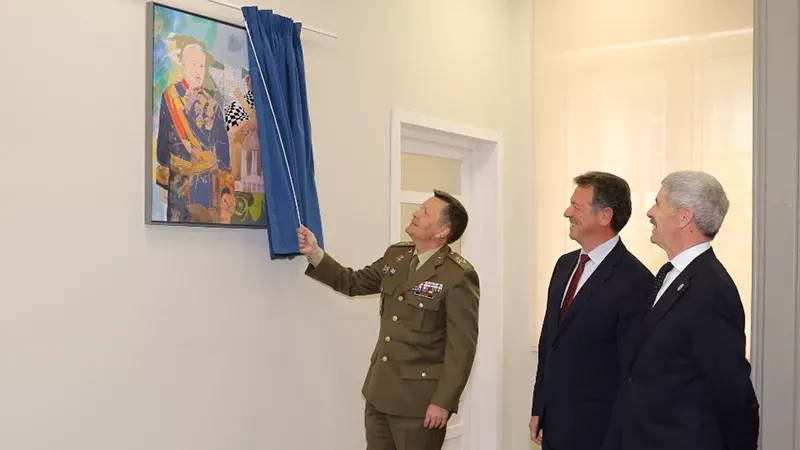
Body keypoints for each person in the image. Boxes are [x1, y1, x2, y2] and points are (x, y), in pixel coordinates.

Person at [298, 189, 479, 450]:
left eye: (426, 212)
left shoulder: (458, 275)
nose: (416, 213)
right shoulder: (398, 256)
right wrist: (315, 253)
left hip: (419, 404)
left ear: (442, 231)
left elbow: (461, 349)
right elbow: (353, 282)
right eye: (420, 208)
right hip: (379, 393)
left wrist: (443, 401)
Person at [620, 170, 759, 450]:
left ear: (684, 217)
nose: (649, 212)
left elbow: (731, 389)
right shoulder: (671, 274)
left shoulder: (711, 289)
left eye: (658, 203)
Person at [530, 171, 653, 450]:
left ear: (605, 215)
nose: (566, 213)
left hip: (599, 430)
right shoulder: (564, 265)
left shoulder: (636, 280)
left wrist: (618, 438)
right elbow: (550, 341)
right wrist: (540, 407)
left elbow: (631, 371)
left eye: (577, 207)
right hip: (555, 424)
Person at [155, 42, 232, 223]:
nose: (198, 70)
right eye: (193, 64)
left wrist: (226, 189)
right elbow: (163, 140)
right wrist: (162, 182)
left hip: (205, 182)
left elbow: (222, 147)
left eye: (201, 65)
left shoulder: (213, 104)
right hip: (178, 180)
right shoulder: (170, 96)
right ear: (184, 65)